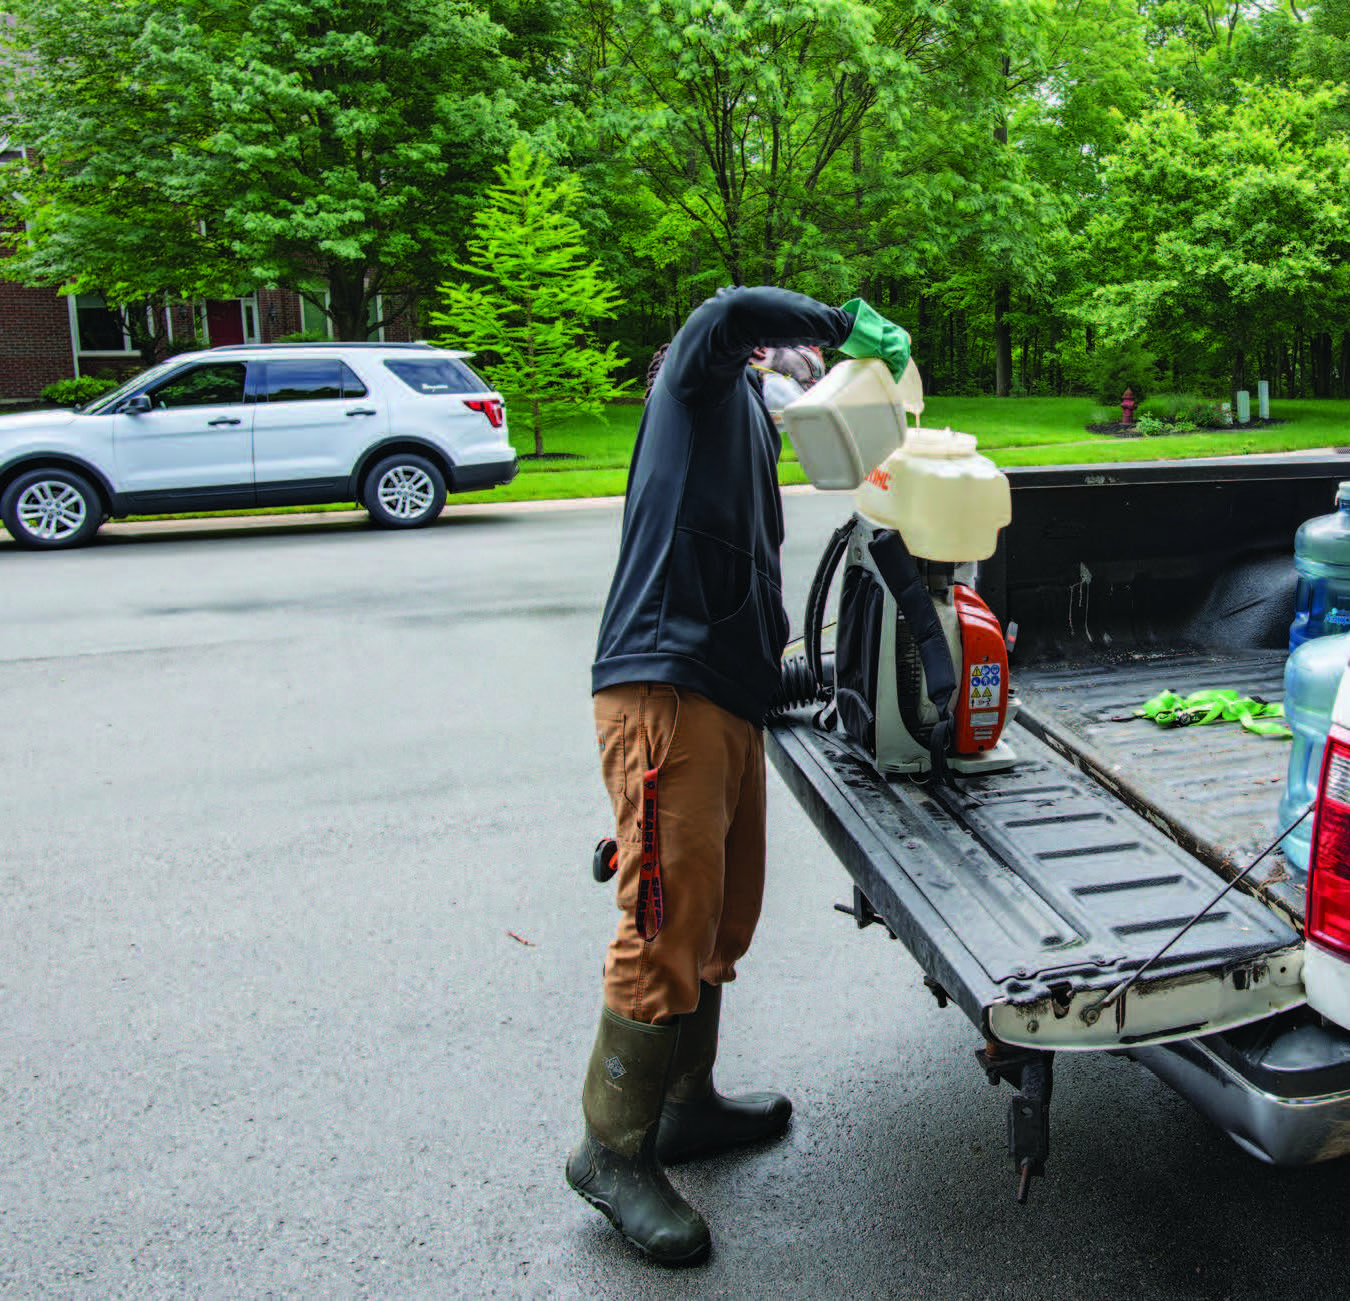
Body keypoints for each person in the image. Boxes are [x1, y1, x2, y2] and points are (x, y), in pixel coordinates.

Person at [566, 285, 911, 1267]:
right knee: (664, 919)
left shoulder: (745, 435)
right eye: (774, 359)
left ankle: (685, 1102)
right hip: (663, 692)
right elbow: (728, 312)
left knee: (722, 916)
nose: (779, 372)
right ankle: (609, 1148)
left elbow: (749, 602)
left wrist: (818, 673)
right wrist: (840, 325)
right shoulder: (690, 385)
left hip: (724, 697)